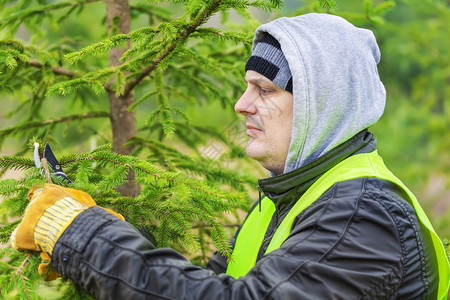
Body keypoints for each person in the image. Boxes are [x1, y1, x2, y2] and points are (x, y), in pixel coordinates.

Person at [11, 13, 449, 299]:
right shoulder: (292, 199)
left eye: (265, 89)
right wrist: (110, 230)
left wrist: (82, 235)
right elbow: (209, 284)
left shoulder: (362, 214)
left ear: (322, 104)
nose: (242, 104)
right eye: (246, 86)